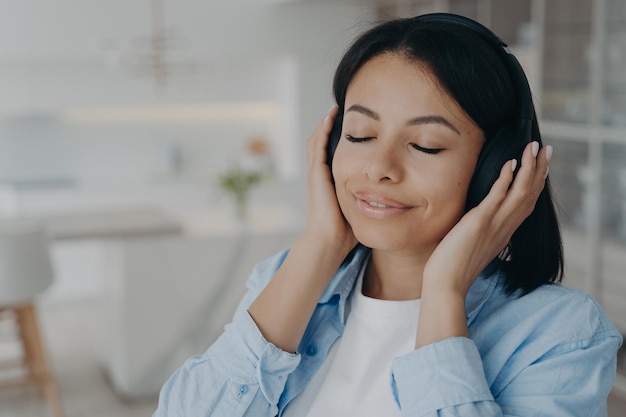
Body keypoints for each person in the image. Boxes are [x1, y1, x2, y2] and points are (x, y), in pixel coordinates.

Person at [153, 13, 622, 417]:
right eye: (358, 135)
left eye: (425, 145)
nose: (379, 168)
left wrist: (443, 293)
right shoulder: (280, 277)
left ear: (497, 168)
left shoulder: (562, 335)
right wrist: (318, 244)